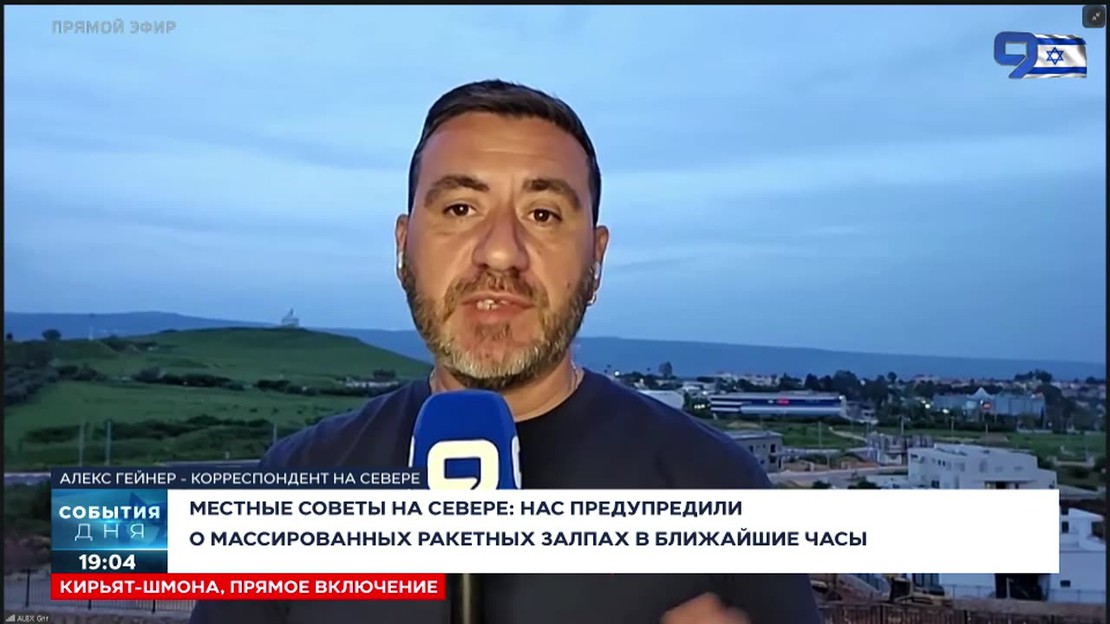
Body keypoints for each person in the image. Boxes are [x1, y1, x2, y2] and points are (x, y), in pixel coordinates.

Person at [190, 80, 823, 624]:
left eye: (543, 214)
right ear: (404, 247)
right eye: (461, 207)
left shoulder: (720, 489)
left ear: (596, 258)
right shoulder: (295, 481)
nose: (500, 251)